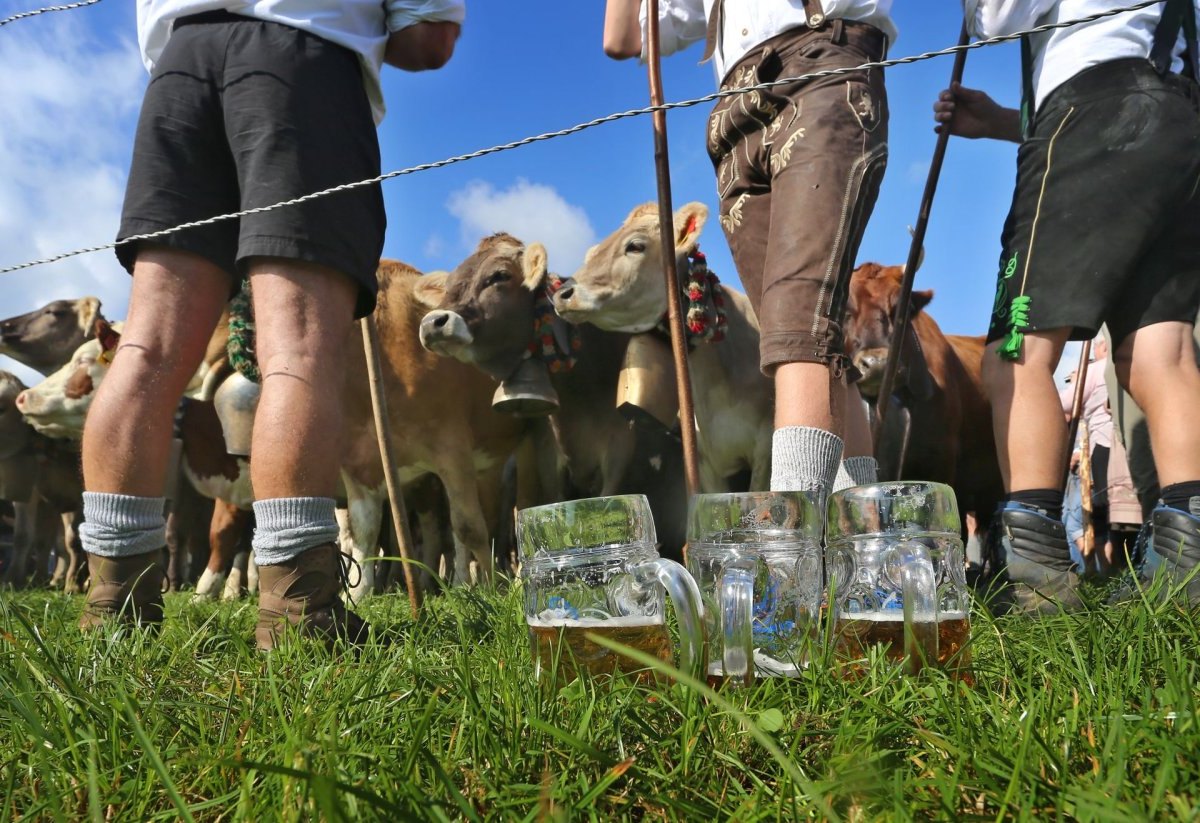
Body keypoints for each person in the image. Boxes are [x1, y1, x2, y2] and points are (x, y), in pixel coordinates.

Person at [78, 0, 465, 649]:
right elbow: (429, 40)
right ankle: (301, 614)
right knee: (299, 351)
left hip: (180, 64)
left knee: (145, 348)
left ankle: (114, 609)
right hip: (302, 65)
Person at [934, 0, 1200, 611]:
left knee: (1014, 350)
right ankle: (1189, 568)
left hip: (1089, 114)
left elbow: (998, 15)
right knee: (1162, 351)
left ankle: (1038, 579)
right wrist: (1008, 120)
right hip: (1178, 121)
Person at [602, 0, 897, 502]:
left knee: (797, 328)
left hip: (820, 67)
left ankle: (793, 551)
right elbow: (622, 37)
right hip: (733, 114)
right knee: (807, 337)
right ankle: (860, 534)